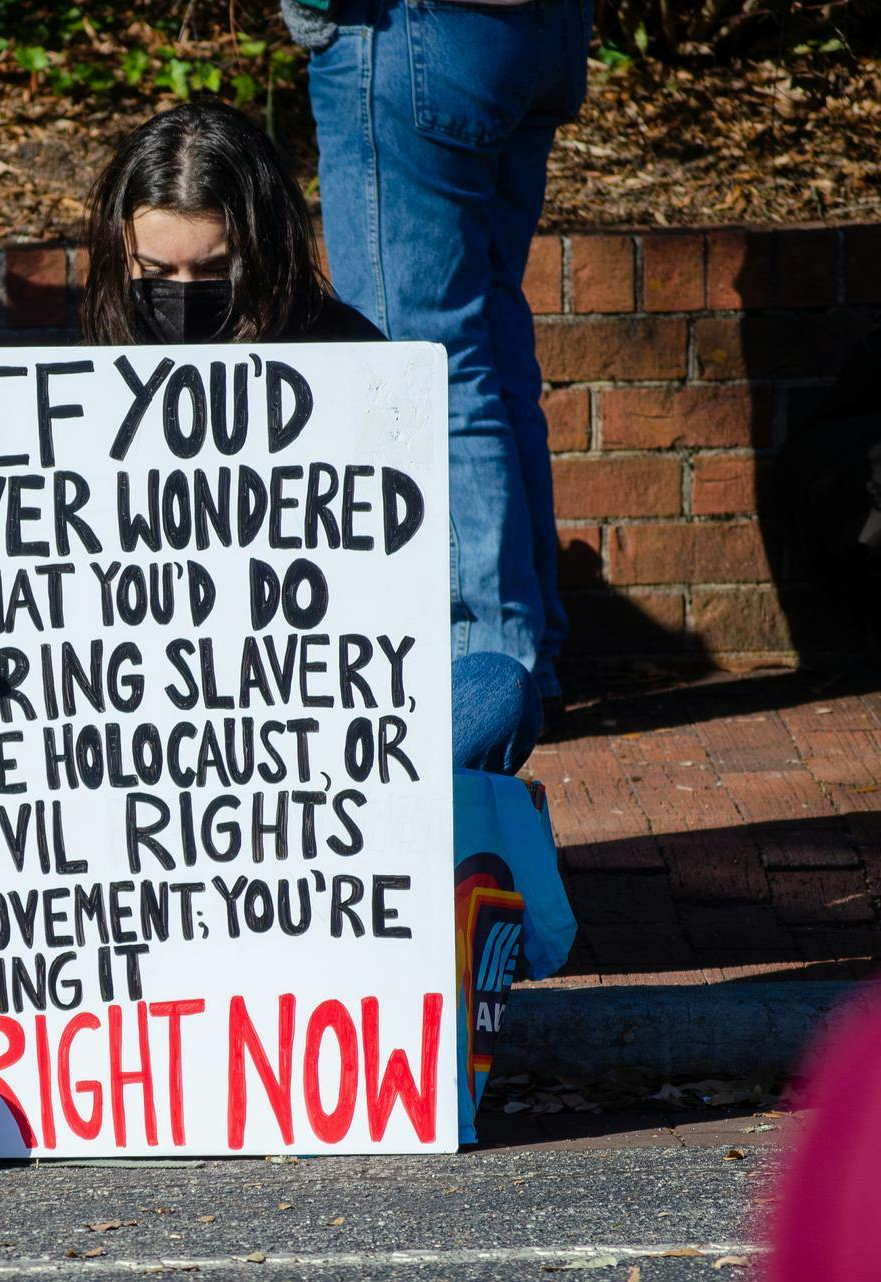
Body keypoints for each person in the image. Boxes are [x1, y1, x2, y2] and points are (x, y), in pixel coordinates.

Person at [81, 100, 541, 776]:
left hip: (312, 732)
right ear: (122, 255)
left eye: (214, 271)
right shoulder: (77, 379)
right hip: (147, 736)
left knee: (497, 692)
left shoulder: (351, 358)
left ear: (263, 251)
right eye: (156, 274)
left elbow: (390, 597)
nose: (183, 295)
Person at [289, 0, 593, 724]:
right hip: (535, 32)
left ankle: (481, 662)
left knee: (420, 362)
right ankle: (526, 652)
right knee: (485, 339)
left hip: (411, 31)